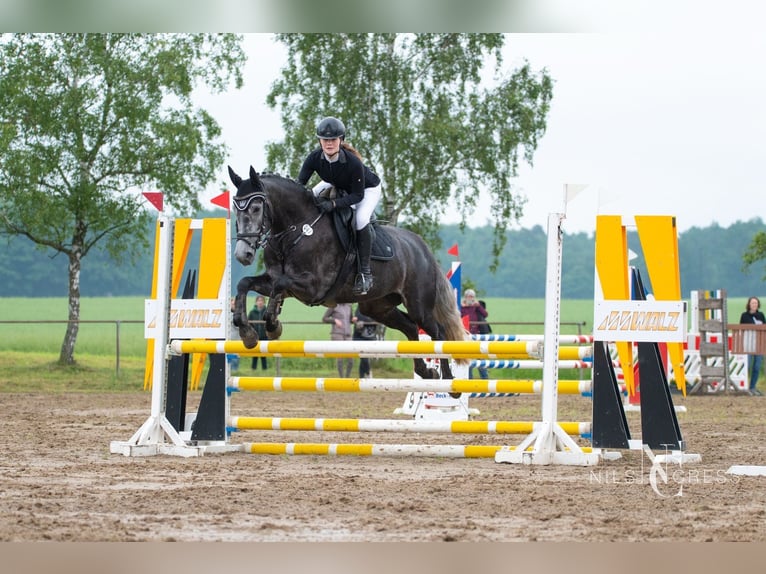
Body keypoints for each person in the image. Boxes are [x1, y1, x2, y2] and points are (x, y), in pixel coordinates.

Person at [296, 116, 382, 296]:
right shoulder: (313, 158)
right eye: (325, 140)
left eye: (333, 139)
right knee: (310, 196)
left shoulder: (353, 162)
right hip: (337, 183)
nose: (329, 143)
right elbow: (300, 185)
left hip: (367, 189)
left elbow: (357, 196)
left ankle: (365, 274)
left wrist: (333, 204)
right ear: (319, 140)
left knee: (360, 219)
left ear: (340, 140)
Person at [460, 288, 489, 379]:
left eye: (472, 297)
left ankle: (485, 379)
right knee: (468, 359)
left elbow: (485, 314)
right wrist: (463, 306)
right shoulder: (462, 307)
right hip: (466, 335)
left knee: (480, 357)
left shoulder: (477, 306)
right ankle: (469, 379)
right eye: (469, 296)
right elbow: (459, 315)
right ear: (465, 297)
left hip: (477, 335)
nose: (471, 298)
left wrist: (478, 306)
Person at [740, 296, 765, 396]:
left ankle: (753, 386)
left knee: (757, 367)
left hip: (759, 344)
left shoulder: (761, 315)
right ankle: (745, 386)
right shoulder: (744, 315)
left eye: (756, 303)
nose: (754, 305)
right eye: (752, 303)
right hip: (749, 344)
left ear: (758, 304)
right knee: (748, 365)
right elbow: (742, 328)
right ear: (749, 304)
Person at [323, 302, 353, 378]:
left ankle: (347, 378)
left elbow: (350, 319)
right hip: (337, 334)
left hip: (348, 334)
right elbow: (324, 318)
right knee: (340, 358)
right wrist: (334, 320)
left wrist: (353, 320)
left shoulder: (349, 306)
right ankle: (341, 378)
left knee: (351, 359)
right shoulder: (333, 306)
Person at [352, 305, 378, 378]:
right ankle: (368, 372)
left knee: (364, 359)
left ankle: (362, 377)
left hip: (370, 337)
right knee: (364, 358)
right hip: (359, 337)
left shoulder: (376, 309)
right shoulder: (360, 309)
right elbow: (357, 319)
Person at [248, 294, 269, 371]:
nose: (260, 302)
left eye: (261, 301)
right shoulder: (252, 312)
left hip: (264, 335)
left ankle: (265, 368)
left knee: (263, 352)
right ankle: (253, 368)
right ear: (256, 302)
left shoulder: (267, 312)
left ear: (264, 302)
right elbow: (249, 323)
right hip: (255, 336)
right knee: (255, 353)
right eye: (258, 301)